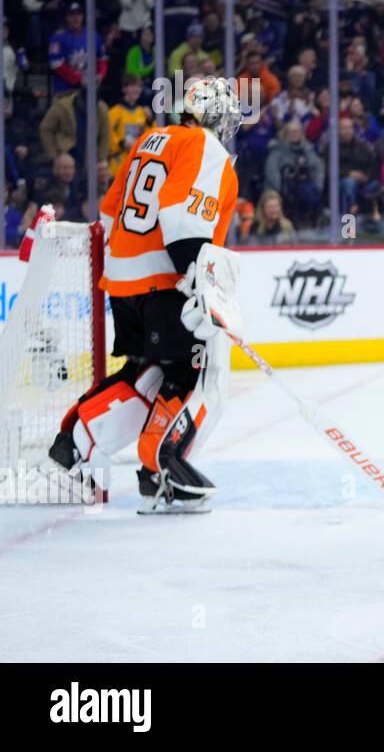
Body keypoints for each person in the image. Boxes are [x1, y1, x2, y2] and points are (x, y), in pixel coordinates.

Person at [46, 76, 241, 512]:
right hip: (165, 281)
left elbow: (107, 214)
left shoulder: (150, 140)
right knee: (197, 373)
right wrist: (197, 280)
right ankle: (163, 466)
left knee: (147, 373)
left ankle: (75, 441)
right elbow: (183, 219)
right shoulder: (204, 145)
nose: (228, 126)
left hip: (124, 281)